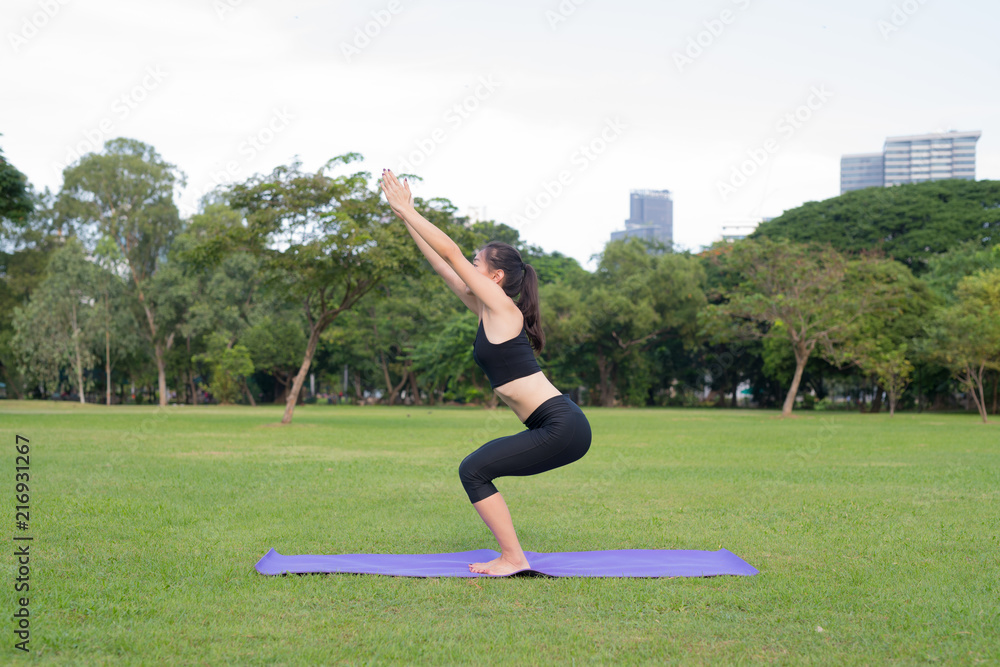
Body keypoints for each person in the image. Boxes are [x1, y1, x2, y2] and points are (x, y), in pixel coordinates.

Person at [380, 169, 592, 575]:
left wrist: (411, 208)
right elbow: (445, 266)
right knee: (476, 469)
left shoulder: (503, 309)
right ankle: (512, 555)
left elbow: (451, 253)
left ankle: (513, 558)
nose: (469, 266)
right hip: (554, 425)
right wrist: (405, 218)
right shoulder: (486, 311)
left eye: (477, 263)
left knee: (473, 469)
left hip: (561, 425)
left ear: (495, 278)